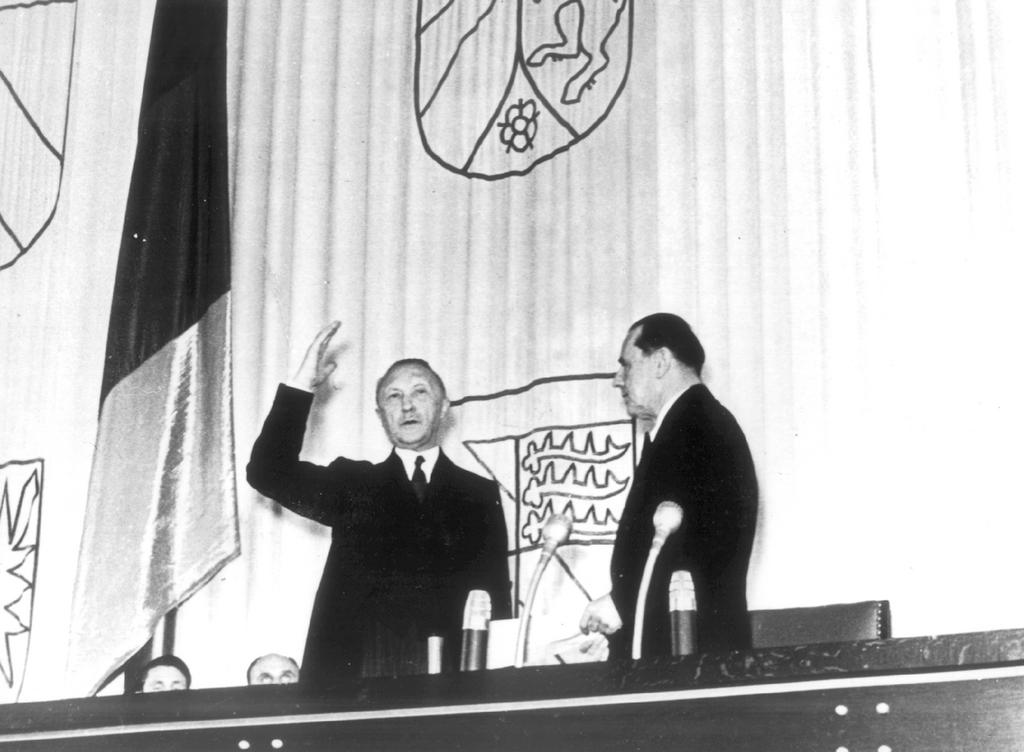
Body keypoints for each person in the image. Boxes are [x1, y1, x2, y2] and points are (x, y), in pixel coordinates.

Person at [247, 321, 511, 686]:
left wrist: (497, 689)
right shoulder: (354, 483)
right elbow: (267, 472)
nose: (406, 405)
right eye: (393, 396)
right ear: (379, 414)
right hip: (357, 681)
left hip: (451, 683)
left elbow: (495, 596)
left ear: (444, 406)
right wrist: (300, 387)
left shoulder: (479, 494)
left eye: (420, 392)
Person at [580, 313, 758, 659]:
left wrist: (624, 604)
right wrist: (622, 605)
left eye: (627, 366)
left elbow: (697, 556)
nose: (618, 380)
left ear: (660, 361)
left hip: (689, 657)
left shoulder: (695, 428)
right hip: (683, 650)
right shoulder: (693, 424)